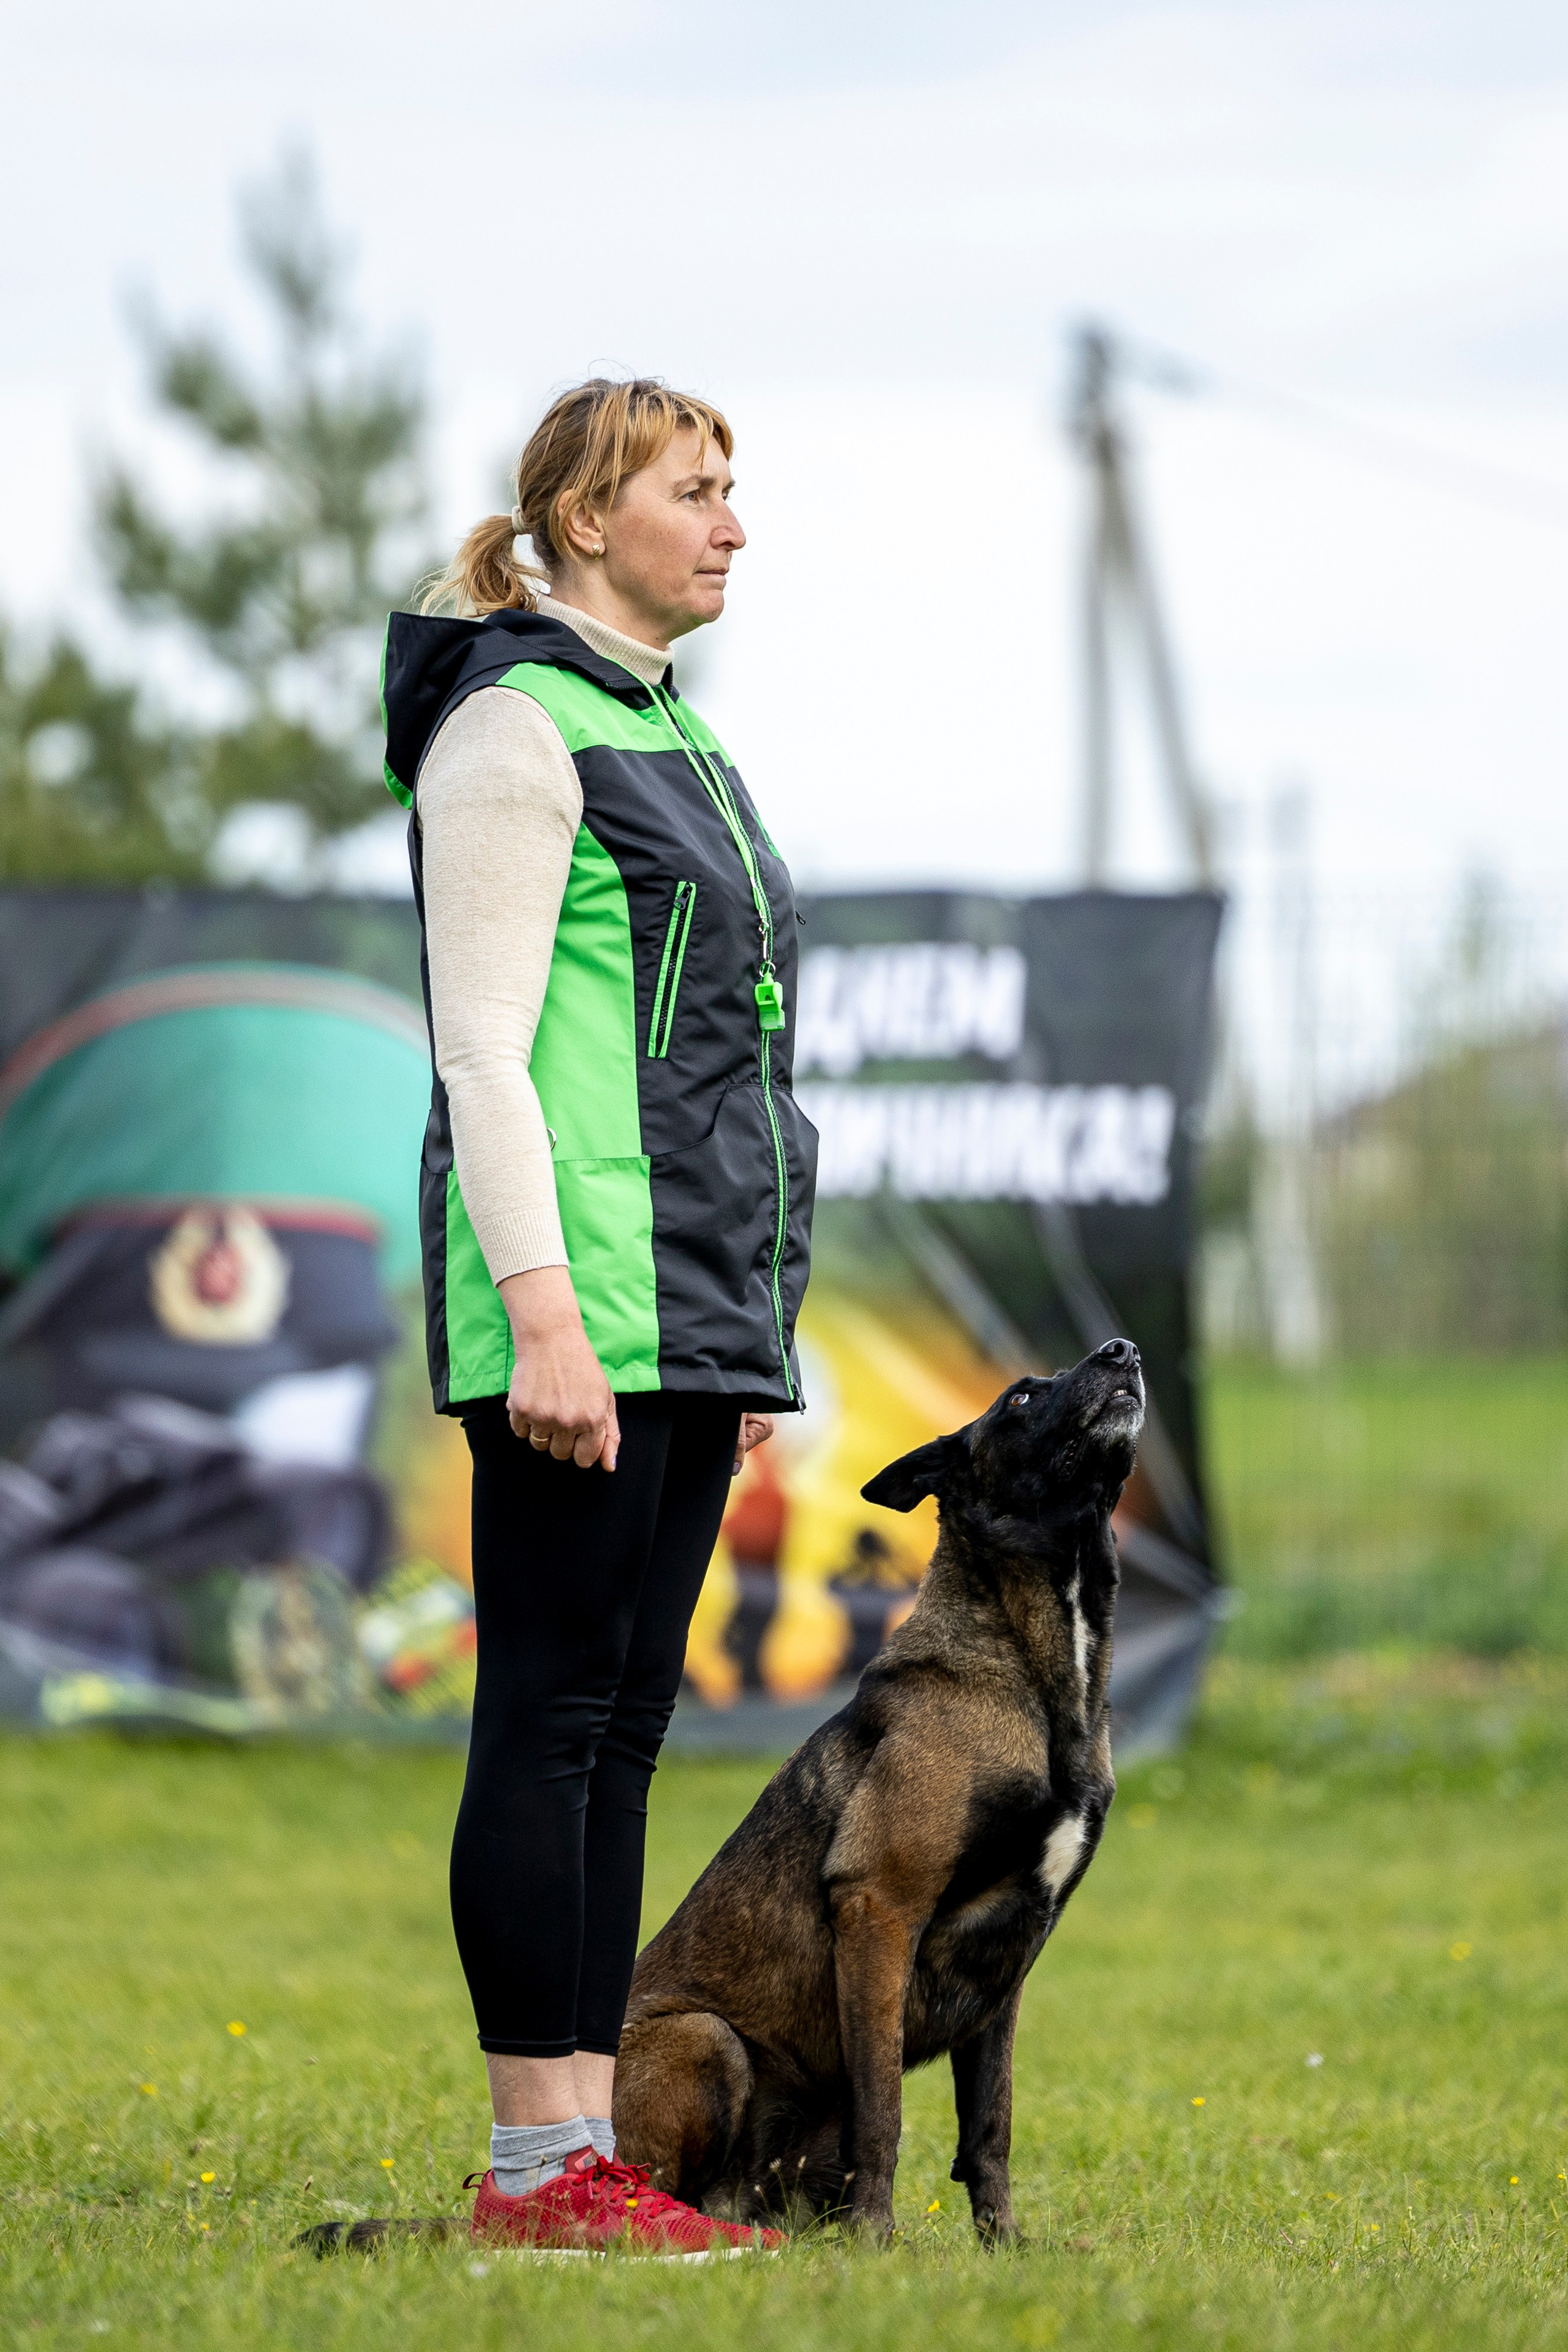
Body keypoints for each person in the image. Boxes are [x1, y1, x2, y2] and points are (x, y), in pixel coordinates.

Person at [380, 378, 816, 2254]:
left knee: (628, 1725)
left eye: (734, 492)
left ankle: (585, 2162)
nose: (733, 525)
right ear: (581, 519)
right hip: (578, 1314)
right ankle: (534, 2167)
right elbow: (484, 1049)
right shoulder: (512, 731)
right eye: (696, 492)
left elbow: (720, 1067)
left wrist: (745, 1333)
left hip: (689, 1319)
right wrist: (544, 1316)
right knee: (549, 1719)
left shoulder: (674, 739)